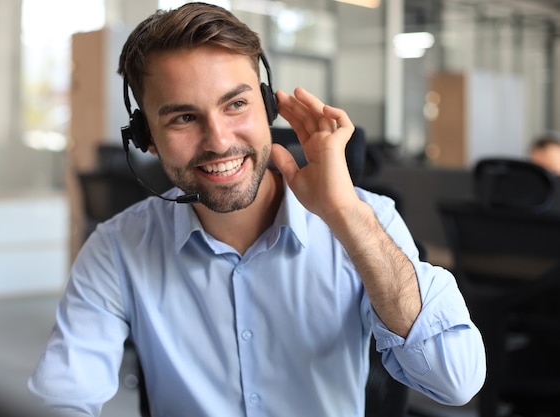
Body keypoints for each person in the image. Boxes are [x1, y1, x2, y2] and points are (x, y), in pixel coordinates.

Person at [28, 3, 485, 416]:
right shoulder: (117, 248)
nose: (220, 140)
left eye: (236, 104)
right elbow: (64, 397)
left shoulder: (369, 219)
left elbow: (454, 382)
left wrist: (346, 215)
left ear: (268, 106)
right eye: (184, 117)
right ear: (145, 136)